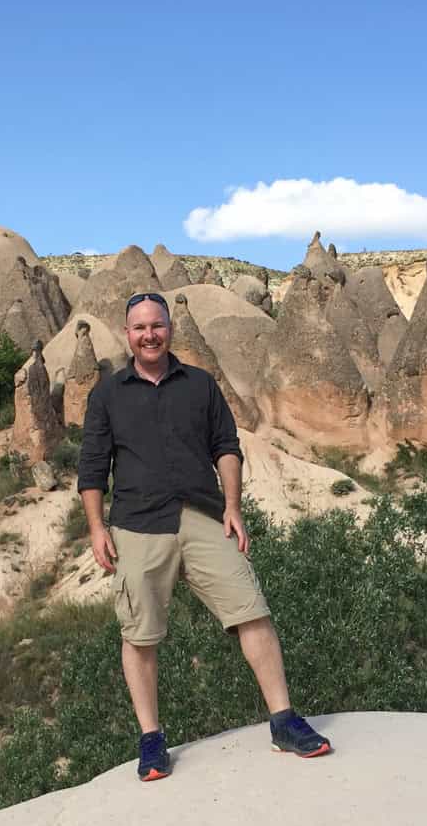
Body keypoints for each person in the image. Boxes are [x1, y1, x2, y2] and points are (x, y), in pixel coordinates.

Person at [76, 290, 331, 781]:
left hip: (201, 514)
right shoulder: (107, 394)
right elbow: (92, 467)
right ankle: (151, 741)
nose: (149, 335)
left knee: (251, 609)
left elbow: (226, 448)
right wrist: (96, 527)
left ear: (169, 329)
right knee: (140, 633)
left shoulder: (199, 384)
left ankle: (284, 720)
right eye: (139, 328)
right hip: (137, 523)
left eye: (157, 325)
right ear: (127, 334)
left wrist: (232, 506)